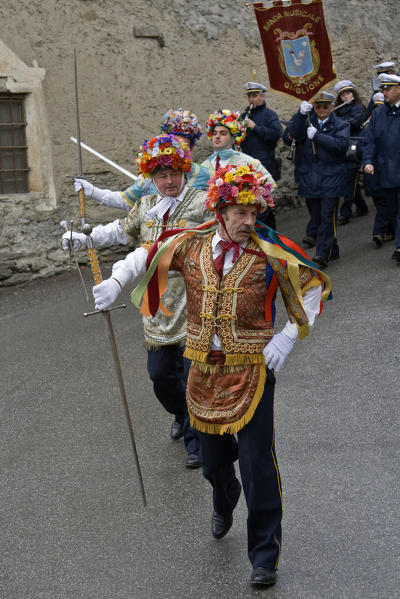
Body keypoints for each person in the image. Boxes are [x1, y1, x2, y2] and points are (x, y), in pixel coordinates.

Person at [92, 162, 331, 586]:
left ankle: (263, 556)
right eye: (239, 212)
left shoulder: (268, 251)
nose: (248, 221)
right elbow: (147, 253)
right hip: (201, 370)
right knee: (214, 463)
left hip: (254, 369)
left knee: (259, 463)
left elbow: (313, 287)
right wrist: (115, 282)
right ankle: (224, 495)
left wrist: (288, 337)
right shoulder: (191, 245)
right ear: (219, 211)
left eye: (254, 212)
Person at [63, 134, 212, 467]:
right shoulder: (145, 206)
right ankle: (179, 412)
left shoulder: (203, 202)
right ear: (151, 177)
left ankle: (195, 439)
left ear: (184, 170)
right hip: (157, 306)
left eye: (174, 172)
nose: (169, 181)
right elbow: (121, 230)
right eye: (161, 175)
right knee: (160, 376)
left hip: (195, 301)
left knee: (193, 378)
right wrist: (84, 237)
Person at [73, 108, 210, 211]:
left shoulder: (206, 175)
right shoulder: (151, 178)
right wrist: (92, 191)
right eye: (174, 144)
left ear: (190, 148)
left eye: (183, 146)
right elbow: (125, 200)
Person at [283, 91, 350, 268]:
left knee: (328, 217)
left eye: (325, 106)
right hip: (310, 179)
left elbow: (341, 146)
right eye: (317, 106)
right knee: (318, 218)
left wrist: (318, 136)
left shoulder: (341, 124)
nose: (321, 109)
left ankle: (322, 254)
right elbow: (291, 138)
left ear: (332, 107)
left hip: (331, 178)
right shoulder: (306, 121)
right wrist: (299, 114)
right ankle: (332, 248)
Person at [201, 108, 276, 227]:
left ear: (233, 138)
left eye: (223, 133)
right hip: (214, 224)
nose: (217, 137)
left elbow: (269, 186)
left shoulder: (247, 161)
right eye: (214, 133)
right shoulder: (204, 165)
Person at [362, 73, 400, 263]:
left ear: (398, 89)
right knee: (393, 210)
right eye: (383, 89)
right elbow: (369, 140)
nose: (384, 92)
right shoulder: (378, 114)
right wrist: (367, 161)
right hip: (387, 171)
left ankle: (399, 247)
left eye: (388, 89)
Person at [334, 80, 369, 224]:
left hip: (355, 148)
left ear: (353, 94)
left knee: (349, 180)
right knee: (349, 180)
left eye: (348, 93)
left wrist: (339, 122)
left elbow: (355, 122)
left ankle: (345, 212)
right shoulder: (337, 111)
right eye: (342, 95)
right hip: (343, 148)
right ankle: (362, 206)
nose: (346, 97)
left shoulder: (359, 107)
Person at [240, 81, 282, 181]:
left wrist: (255, 127)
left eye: (254, 96)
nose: (251, 99)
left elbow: (276, 134)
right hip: (246, 162)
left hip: (264, 163)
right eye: (249, 97)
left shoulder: (270, 115)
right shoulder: (243, 116)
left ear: (262, 97)